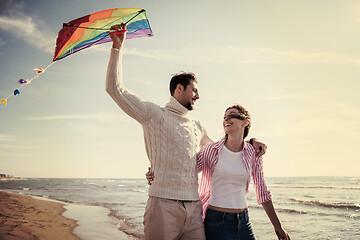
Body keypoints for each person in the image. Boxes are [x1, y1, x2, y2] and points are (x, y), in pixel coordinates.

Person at [106, 23, 267, 240]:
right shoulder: (152, 113)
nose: (198, 96)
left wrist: (251, 140)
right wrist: (117, 47)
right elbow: (115, 89)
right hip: (162, 205)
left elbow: (225, 146)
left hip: (194, 209)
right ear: (179, 89)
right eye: (194, 90)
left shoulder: (198, 125)